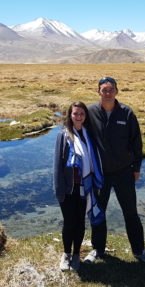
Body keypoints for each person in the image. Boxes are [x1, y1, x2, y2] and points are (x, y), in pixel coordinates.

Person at [84, 77, 145, 264]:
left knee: (130, 212)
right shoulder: (90, 112)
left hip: (124, 172)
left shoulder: (126, 113)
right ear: (98, 91)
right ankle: (98, 249)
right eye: (104, 90)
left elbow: (136, 142)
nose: (107, 93)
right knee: (98, 212)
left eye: (111, 89)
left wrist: (136, 168)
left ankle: (139, 250)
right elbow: (80, 135)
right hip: (100, 173)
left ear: (117, 91)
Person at [53, 101, 104, 271]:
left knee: (80, 223)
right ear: (70, 115)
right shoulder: (64, 135)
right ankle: (66, 254)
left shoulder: (88, 135)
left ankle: (76, 255)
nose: (78, 117)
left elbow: (94, 160)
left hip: (86, 187)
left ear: (85, 116)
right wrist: (59, 190)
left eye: (81, 114)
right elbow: (57, 165)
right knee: (69, 222)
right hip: (68, 189)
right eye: (75, 114)